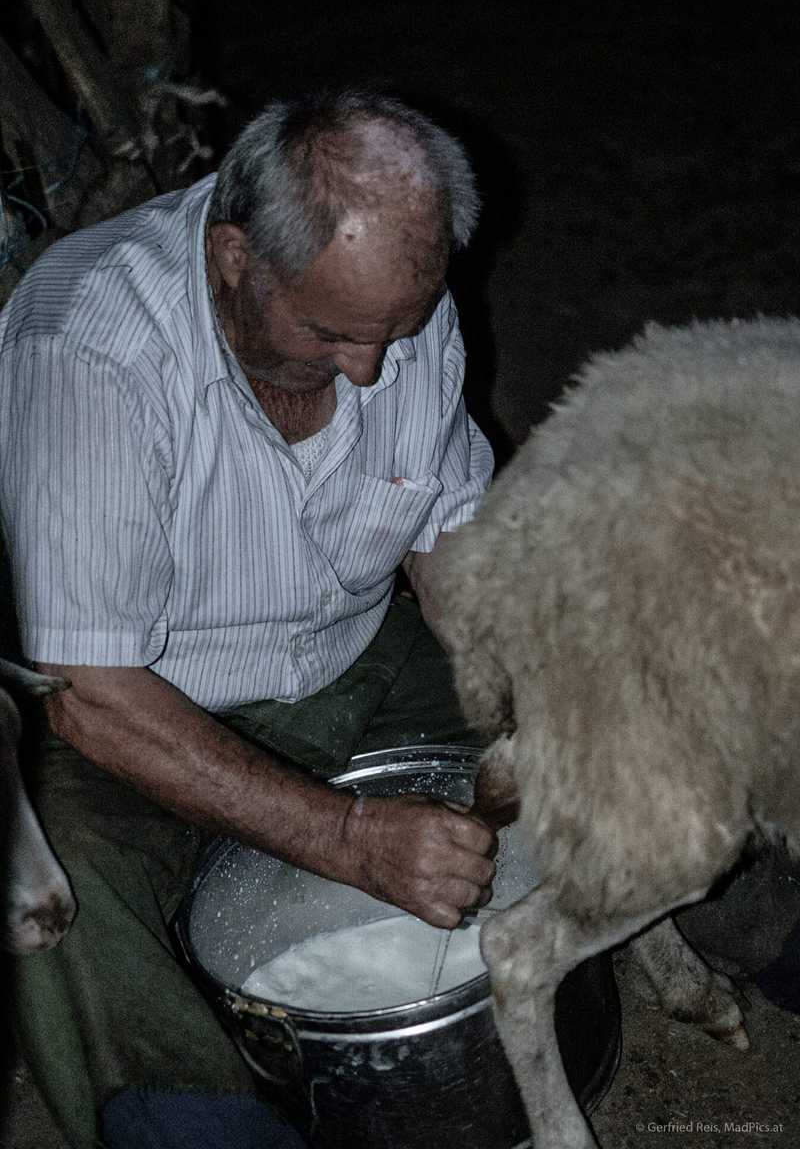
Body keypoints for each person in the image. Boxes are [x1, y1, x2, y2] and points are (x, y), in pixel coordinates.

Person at [0, 90, 497, 1148]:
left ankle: (760, 925)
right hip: (138, 705)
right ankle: (198, 1120)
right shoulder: (91, 345)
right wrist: (349, 838)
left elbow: (445, 538)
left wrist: (525, 688)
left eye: (393, 331)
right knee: (62, 898)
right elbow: (91, 693)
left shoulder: (391, 308)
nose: (368, 368)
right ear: (232, 256)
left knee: (604, 719)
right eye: (327, 331)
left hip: (358, 655)